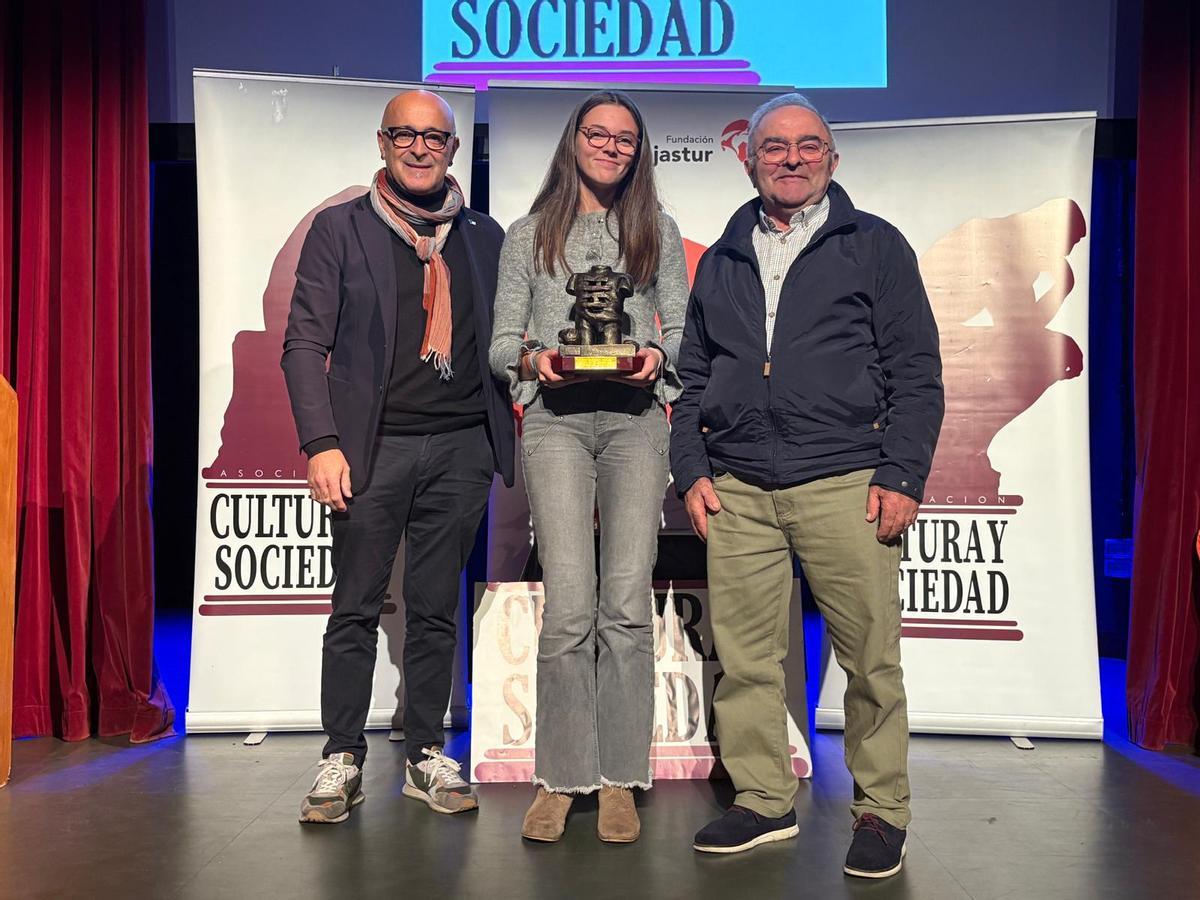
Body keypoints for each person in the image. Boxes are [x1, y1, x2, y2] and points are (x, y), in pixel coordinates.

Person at [670, 93, 943, 878]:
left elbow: (917, 371)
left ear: (832, 158)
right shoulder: (723, 256)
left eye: (808, 145)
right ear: (748, 159)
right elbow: (693, 380)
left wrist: (902, 472)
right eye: (775, 147)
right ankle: (763, 799)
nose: (792, 158)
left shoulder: (874, 245)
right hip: (740, 487)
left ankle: (881, 810)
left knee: (870, 662)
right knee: (748, 661)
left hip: (846, 481)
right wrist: (691, 470)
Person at [282, 90, 514, 824]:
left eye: (434, 137)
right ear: (382, 143)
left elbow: (506, 343)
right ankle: (342, 754)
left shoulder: (483, 235)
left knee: (436, 608)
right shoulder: (340, 229)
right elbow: (303, 344)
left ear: (453, 149)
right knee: (354, 607)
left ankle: (424, 751)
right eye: (404, 134)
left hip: (462, 449)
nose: (420, 148)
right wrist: (321, 443)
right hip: (369, 451)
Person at [489, 90, 689, 843]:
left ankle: (619, 779)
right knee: (570, 607)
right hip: (556, 424)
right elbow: (502, 342)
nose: (611, 147)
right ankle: (561, 775)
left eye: (625, 139)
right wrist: (535, 360)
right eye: (598, 133)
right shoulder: (529, 233)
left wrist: (656, 355)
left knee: (627, 607)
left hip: (636, 424)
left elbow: (683, 327)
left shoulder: (656, 228)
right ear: (573, 140)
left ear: (639, 153)